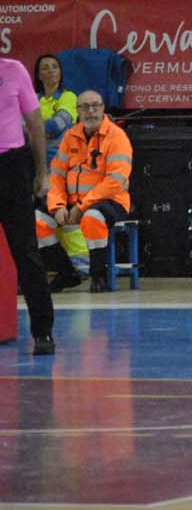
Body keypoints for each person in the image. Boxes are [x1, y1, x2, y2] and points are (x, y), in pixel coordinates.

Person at [34, 90, 131, 293]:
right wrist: (57, 205)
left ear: (103, 108)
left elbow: (115, 181)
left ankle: (98, 276)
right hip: (72, 201)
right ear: (78, 111)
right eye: (85, 107)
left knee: (93, 217)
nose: (91, 111)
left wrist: (82, 206)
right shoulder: (71, 135)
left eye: (95, 105)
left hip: (111, 200)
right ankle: (66, 273)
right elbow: (57, 176)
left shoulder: (117, 136)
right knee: (37, 221)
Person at [0, 54, 54, 354]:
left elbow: (34, 123)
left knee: (26, 251)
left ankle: (43, 331)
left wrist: (42, 171)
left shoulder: (14, 69)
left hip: (12, 166)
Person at [33, 54, 77, 165]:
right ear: (39, 76)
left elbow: (55, 126)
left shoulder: (69, 96)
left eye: (54, 67)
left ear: (60, 72)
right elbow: (19, 128)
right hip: (32, 159)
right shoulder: (32, 99)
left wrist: (33, 128)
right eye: (45, 68)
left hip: (58, 161)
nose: (51, 70)